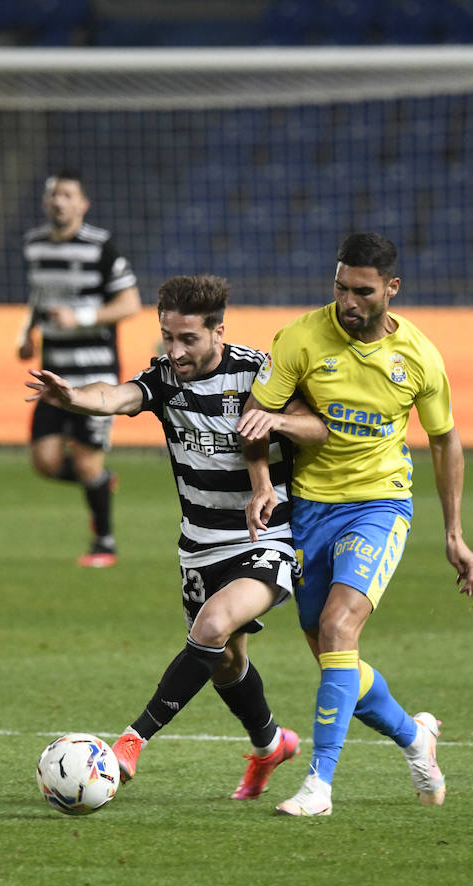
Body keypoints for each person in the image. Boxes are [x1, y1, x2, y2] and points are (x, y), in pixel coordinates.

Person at [25, 274, 329, 800]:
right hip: (198, 545)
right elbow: (116, 396)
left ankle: (131, 741)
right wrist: (73, 397)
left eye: (188, 338)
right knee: (226, 661)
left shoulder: (259, 374)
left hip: (266, 536)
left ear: (218, 331)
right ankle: (270, 745)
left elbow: (317, 427)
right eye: (168, 336)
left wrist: (275, 422)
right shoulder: (166, 377)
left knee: (211, 627)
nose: (176, 349)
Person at [237, 232, 473, 817]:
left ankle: (319, 785)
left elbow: (445, 441)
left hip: (380, 504)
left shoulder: (418, 357)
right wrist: (264, 484)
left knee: (341, 629)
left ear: (391, 289)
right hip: (311, 509)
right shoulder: (299, 338)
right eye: (340, 287)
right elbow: (256, 417)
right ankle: (415, 738)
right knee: (331, 654)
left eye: (362, 291)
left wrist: (453, 532)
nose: (348, 302)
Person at [18, 170, 142, 568]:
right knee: (45, 461)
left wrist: (82, 316)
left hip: (94, 376)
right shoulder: (34, 245)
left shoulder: (100, 246)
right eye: (54, 195)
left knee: (87, 461)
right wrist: (27, 333)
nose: (59, 202)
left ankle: (104, 543)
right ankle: (102, 482)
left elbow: (129, 303)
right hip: (53, 374)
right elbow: (38, 296)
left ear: (82, 204)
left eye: (68, 195)